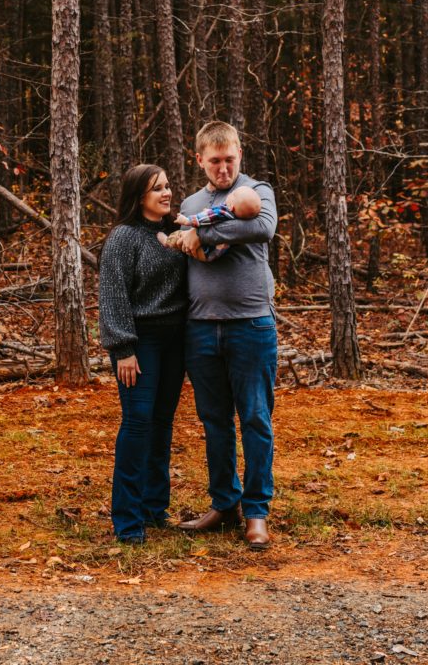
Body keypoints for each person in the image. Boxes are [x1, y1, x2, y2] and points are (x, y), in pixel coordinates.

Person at [172, 121, 278, 550]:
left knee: (254, 418)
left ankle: (256, 513)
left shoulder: (258, 190)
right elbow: (180, 245)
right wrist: (190, 234)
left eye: (230, 159)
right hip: (200, 328)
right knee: (214, 420)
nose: (223, 168)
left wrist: (201, 232)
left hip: (251, 324)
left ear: (240, 156)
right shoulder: (191, 201)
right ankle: (224, 503)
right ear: (200, 160)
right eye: (214, 161)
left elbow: (261, 228)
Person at [98, 164, 187, 545]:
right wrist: (123, 350)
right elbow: (113, 295)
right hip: (141, 343)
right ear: (139, 197)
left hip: (176, 341)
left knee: (162, 424)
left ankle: (154, 508)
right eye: (157, 189)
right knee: (137, 424)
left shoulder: (176, 233)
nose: (166, 194)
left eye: (167, 187)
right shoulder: (123, 238)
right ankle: (128, 520)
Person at [161, 185, 261, 262]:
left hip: (205, 250)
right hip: (215, 253)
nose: (230, 194)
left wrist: (188, 220)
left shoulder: (223, 212)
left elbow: (206, 218)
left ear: (231, 206)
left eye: (233, 195)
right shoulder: (236, 219)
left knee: (181, 236)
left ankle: (167, 241)